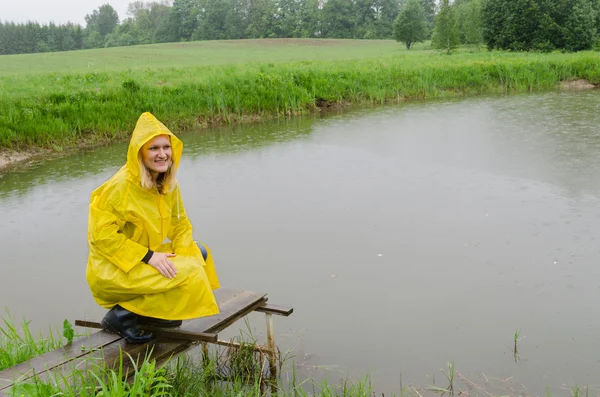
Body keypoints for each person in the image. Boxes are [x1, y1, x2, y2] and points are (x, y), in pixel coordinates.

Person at [86, 112, 220, 344]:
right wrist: (149, 257)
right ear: (139, 152)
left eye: (166, 147)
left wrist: (186, 253)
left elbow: (180, 224)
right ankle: (121, 317)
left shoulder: (167, 183)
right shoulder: (122, 186)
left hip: (146, 257)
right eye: (153, 148)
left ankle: (158, 314)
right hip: (116, 266)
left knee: (200, 254)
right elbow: (101, 237)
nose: (162, 154)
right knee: (186, 271)